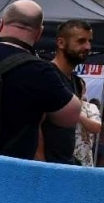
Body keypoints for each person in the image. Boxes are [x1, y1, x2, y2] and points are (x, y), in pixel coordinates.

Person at [0, 0, 83, 159]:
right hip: (9, 171)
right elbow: (70, 116)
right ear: (39, 33)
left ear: (1, 25)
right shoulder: (40, 72)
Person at [39, 20, 93, 164]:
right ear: (61, 43)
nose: (88, 46)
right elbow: (35, 124)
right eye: (81, 41)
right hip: (47, 167)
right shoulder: (47, 75)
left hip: (65, 164)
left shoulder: (77, 82)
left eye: (89, 41)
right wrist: (40, 166)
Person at [74, 101, 104, 167]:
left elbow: (96, 128)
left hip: (83, 161)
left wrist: (79, 115)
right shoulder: (58, 101)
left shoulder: (90, 107)